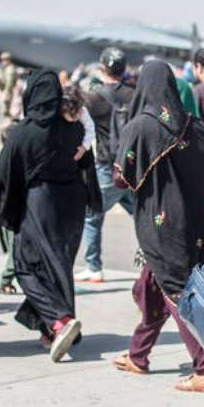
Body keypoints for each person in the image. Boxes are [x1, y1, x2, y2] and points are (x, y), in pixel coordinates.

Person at [111, 60, 204, 393]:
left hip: (159, 225)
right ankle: (137, 355)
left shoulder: (140, 127)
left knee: (174, 290)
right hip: (193, 222)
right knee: (152, 288)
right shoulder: (192, 124)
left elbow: (120, 178)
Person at [0, 69, 97, 362]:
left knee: (26, 267)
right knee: (58, 266)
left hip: (41, 205)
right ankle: (50, 331)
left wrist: (3, 205)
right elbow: (87, 159)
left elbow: (3, 173)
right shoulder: (73, 125)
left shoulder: (26, 131)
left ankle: (59, 322)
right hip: (73, 205)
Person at [75, 48, 134, 283]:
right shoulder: (134, 95)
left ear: (102, 68)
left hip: (106, 166)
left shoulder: (93, 97)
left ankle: (93, 266)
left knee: (92, 215)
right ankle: (153, 262)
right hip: (132, 167)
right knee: (141, 216)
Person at [0, 52, 17, 124]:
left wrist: (6, 92)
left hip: (6, 92)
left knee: (5, 111)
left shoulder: (10, 69)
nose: (2, 61)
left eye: (4, 60)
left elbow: (10, 82)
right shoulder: (7, 69)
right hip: (5, 91)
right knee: (5, 111)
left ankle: (9, 125)